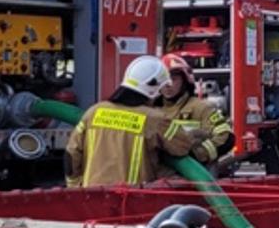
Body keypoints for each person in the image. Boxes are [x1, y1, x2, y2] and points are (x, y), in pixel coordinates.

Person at [66, 56, 196, 187]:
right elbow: (183, 146)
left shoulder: (94, 112)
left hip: (90, 197)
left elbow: (71, 154)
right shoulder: (155, 119)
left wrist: (75, 187)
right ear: (153, 89)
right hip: (132, 200)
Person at [156, 54, 233, 171]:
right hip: (157, 179)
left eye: (174, 79)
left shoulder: (201, 108)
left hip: (192, 179)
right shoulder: (151, 110)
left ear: (185, 81)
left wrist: (198, 154)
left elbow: (226, 137)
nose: (168, 84)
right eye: (164, 79)